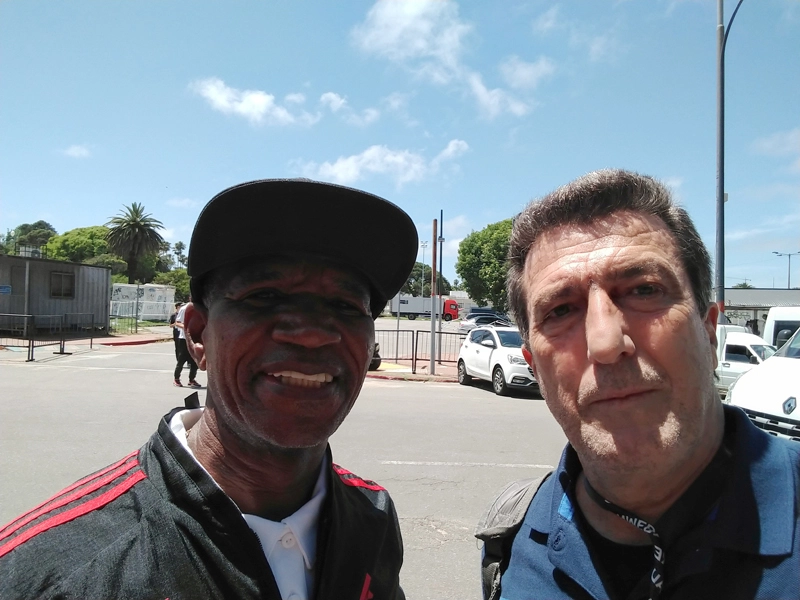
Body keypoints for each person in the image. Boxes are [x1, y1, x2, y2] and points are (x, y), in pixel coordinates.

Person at [0, 178, 418, 599]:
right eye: (266, 295)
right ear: (198, 336)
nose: (311, 333)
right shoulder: (46, 573)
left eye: (345, 306)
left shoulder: (372, 517)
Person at [476, 169, 800, 600]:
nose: (606, 343)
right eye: (560, 311)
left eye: (643, 289)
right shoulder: (513, 538)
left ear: (709, 332)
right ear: (535, 368)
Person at [173, 296, 201, 388]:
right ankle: (176, 379)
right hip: (184, 339)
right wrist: (187, 328)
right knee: (182, 360)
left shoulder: (201, 308)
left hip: (195, 338)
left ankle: (191, 379)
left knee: (194, 361)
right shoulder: (184, 308)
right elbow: (177, 323)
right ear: (190, 298)